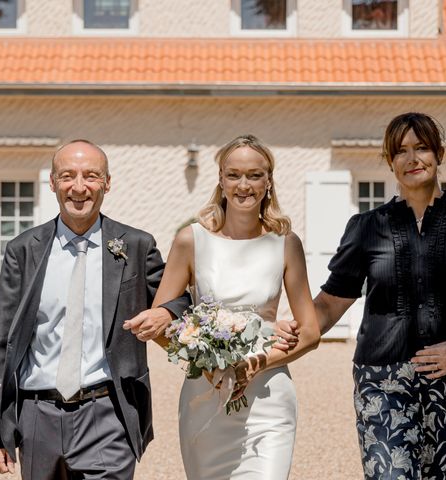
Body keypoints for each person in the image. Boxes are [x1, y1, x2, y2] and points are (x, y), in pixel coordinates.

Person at [277, 112, 446, 479]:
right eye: (401, 150)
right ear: (390, 161)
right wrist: (292, 330)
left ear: (438, 153)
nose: (412, 158)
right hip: (382, 381)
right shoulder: (366, 227)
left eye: (421, 147)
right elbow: (330, 303)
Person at [0, 140, 190, 479]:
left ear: (107, 183)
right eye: (67, 176)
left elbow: (181, 299)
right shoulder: (23, 250)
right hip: (36, 417)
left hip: (108, 413)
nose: (79, 187)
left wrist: (165, 313)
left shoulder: (136, 245)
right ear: (52, 183)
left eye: (91, 176)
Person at [124, 134, 321, 479]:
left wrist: (254, 365)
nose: (244, 185)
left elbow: (311, 333)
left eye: (254, 175)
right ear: (220, 179)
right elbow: (161, 326)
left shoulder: (286, 245)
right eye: (234, 175)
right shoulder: (191, 240)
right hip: (206, 394)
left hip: (268, 399)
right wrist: (204, 363)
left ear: (269, 181)